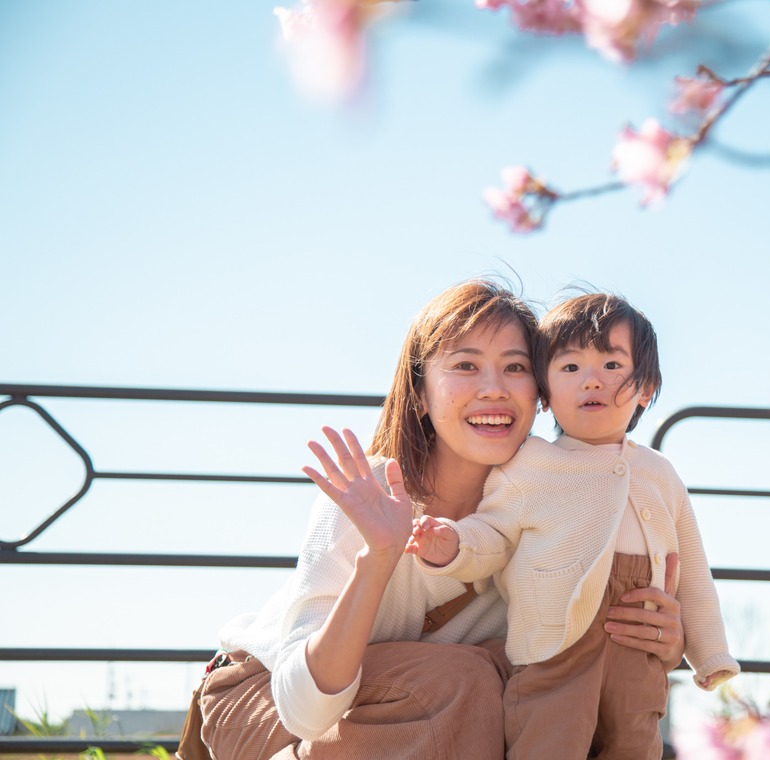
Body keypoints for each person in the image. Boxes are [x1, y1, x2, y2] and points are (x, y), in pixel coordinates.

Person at [189, 280, 687, 760]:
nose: (493, 388)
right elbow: (306, 710)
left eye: (515, 367)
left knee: (533, 690)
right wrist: (378, 558)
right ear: (422, 394)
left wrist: (660, 640)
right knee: (470, 679)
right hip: (270, 701)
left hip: (431, 712)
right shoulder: (374, 492)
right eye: (466, 365)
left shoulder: (554, 520)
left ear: (541, 393)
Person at [406, 292, 739, 759]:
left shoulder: (661, 474)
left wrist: (711, 654)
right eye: (570, 368)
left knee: (635, 743)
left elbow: (694, 575)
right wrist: (453, 543)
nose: (591, 382)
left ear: (645, 388)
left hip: (637, 654)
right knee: (548, 742)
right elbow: (494, 533)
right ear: (545, 392)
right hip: (553, 654)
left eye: (611, 366)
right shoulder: (530, 465)